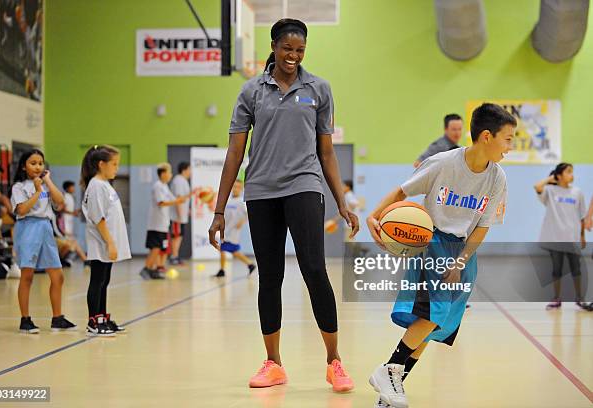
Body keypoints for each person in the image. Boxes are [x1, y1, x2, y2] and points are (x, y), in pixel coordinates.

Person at [208, 18, 359, 393]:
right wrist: (219, 209)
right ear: (273, 47)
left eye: (300, 50)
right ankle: (273, 363)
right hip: (260, 190)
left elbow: (327, 151)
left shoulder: (319, 89)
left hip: (304, 184)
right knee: (270, 275)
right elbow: (234, 152)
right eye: (287, 48)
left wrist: (342, 200)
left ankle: (334, 361)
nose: (293, 56)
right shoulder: (251, 91)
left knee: (313, 270)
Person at [367, 103, 514, 407]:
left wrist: (461, 261)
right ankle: (388, 370)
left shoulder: (497, 178)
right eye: (508, 139)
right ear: (487, 136)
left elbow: (483, 227)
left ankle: (391, 389)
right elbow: (402, 191)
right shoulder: (444, 163)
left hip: (463, 252)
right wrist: (375, 215)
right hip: (432, 242)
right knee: (431, 314)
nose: (510, 147)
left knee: (436, 325)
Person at [10, 149, 76, 333]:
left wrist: (46, 182)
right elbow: (22, 210)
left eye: (40, 163)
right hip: (28, 228)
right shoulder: (19, 187)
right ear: (24, 166)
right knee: (28, 276)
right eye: (33, 163)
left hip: (45, 228)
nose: (38, 166)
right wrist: (38, 191)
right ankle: (25, 320)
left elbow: (60, 201)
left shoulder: (46, 184)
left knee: (58, 276)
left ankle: (57, 317)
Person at [81, 145, 132, 336]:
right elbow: (98, 218)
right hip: (101, 243)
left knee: (104, 280)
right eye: (114, 164)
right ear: (101, 164)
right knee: (97, 280)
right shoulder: (95, 186)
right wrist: (110, 242)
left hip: (108, 242)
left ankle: (102, 317)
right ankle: (93, 321)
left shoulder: (105, 185)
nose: (116, 168)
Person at [534, 163, 588, 310]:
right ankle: (556, 298)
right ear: (559, 175)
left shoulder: (578, 192)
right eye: (568, 172)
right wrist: (551, 178)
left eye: (572, 172)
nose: (572, 175)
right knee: (556, 270)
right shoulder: (550, 191)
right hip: (555, 238)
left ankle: (580, 298)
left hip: (572, 238)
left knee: (576, 269)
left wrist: (582, 236)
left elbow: (582, 216)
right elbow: (537, 187)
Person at [140, 163, 184, 280]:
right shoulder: (158, 186)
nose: (171, 175)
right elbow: (162, 203)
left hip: (163, 224)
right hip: (156, 224)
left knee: (161, 248)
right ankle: (146, 268)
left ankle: (154, 269)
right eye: (169, 172)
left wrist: (191, 195)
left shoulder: (165, 186)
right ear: (163, 173)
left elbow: (176, 200)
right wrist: (177, 202)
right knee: (155, 247)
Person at [214, 179, 256, 277]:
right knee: (225, 249)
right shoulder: (229, 200)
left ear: (241, 189)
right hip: (225, 229)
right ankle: (248, 265)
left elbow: (249, 214)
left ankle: (249, 264)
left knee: (231, 250)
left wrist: (242, 222)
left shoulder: (242, 202)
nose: (236, 189)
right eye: (234, 186)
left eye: (238, 187)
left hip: (233, 231)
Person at [169, 162, 193, 265]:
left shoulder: (183, 181)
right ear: (184, 170)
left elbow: (184, 198)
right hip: (177, 216)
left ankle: (176, 255)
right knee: (176, 236)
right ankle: (173, 257)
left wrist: (187, 210)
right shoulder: (178, 181)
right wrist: (179, 214)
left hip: (181, 215)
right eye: (189, 169)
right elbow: (178, 198)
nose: (191, 172)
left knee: (179, 236)